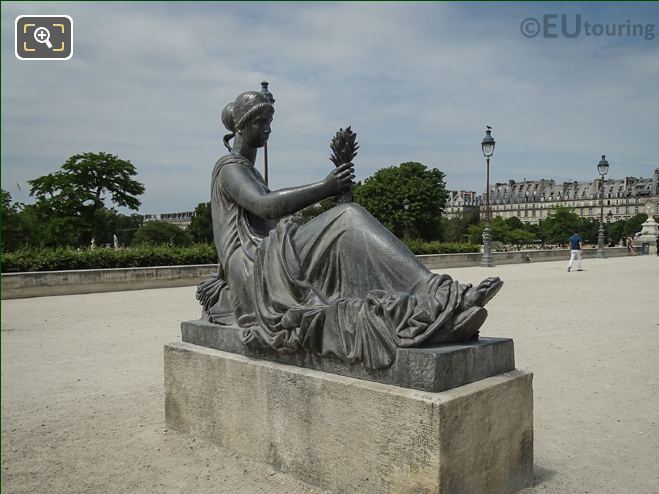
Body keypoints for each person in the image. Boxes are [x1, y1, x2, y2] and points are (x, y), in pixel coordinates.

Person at [196, 90, 502, 369]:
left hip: (269, 256)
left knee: (345, 225)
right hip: (253, 268)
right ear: (241, 125)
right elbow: (264, 206)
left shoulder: (246, 170)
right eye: (261, 121)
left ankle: (436, 302)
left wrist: (338, 190)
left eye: (270, 121)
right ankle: (441, 297)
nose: (268, 128)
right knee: (347, 219)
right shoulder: (228, 168)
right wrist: (327, 187)